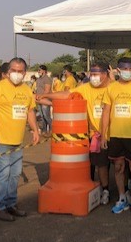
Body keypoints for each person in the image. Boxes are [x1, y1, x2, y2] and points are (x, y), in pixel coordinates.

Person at [37, 62, 112, 205]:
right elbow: (67, 94)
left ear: (105, 74)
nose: (93, 77)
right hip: (92, 133)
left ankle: (114, 189)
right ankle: (99, 189)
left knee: (113, 165)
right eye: (92, 74)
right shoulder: (85, 88)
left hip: (112, 132)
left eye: (96, 74)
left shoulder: (112, 87)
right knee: (93, 162)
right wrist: (46, 95)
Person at [0, 58, 39, 222]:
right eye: (14, 70)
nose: (17, 74)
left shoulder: (27, 90)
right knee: (4, 173)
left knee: (15, 173)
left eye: (20, 71)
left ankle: (11, 204)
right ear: (8, 72)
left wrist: (35, 130)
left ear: (25, 73)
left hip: (17, 140)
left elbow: (30, 111)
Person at [101, 57, 131, 218]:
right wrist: (103, 135)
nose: (128, 72)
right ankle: (122, 198)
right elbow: (106, 112)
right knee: (118, 167)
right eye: (125, 69)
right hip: (115, 135)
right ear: (118, 70)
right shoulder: (111, 88)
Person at [35, 65, 53, 136]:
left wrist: (41, 97)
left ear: (44, 71)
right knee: (42, 116)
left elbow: (47, 90)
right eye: (38, 70)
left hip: (45, 99)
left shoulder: (47, 79)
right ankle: (44, 130)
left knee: (46, 116)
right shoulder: (39, 79)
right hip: (39, 99)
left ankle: (52, 129)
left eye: (40, 70)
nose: (39, 71)